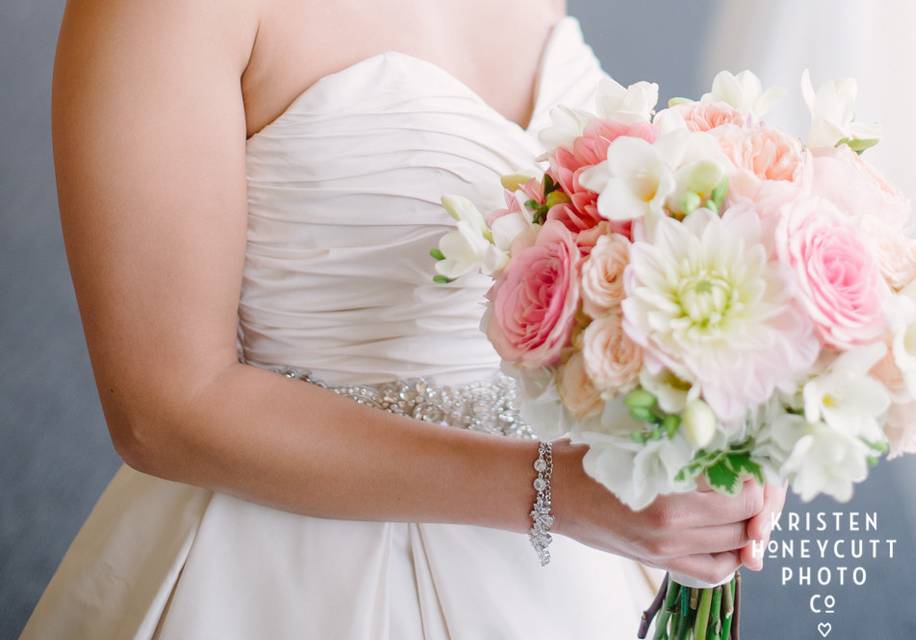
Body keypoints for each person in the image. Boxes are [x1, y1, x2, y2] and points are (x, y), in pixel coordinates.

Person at [21, 0, 785, 637]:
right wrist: (562, 493)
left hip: (573, 565)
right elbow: (161, 409)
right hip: (291, 566)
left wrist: (694, 431)